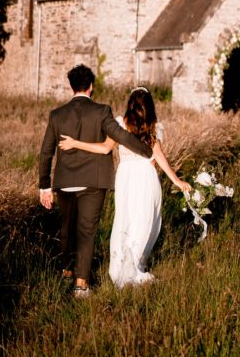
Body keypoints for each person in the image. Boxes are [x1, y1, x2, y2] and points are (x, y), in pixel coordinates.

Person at [38, 64, 153, 298]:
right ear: (91, 86)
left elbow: (46, 152)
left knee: (66, 229)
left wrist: (44, 186)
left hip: (65, 181)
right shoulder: (102, 111)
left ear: (72, 86)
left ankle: (67, 271)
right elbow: (120, 135)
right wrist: (146, 151)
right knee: (87, 231)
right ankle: (81, 285)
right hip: (94, 181)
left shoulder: (56, 115)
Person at [59, 86, 191, 288]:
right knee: (142, 221)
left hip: (127, 176)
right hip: (146, 176)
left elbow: (104, 148)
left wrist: (75, 143)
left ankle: (128, 265)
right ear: (149, 106)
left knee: (126, 220)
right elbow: (159, 158)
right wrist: (176, 180)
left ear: (130, 104)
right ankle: (132, 265)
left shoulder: (121, 124)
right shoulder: (152, 125)